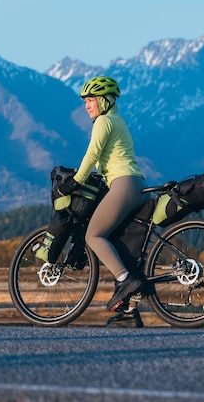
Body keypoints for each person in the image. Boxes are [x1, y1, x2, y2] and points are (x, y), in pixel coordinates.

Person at [36, 76, 147, 328]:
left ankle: (124, 279)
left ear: (105, 101)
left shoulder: (104, 121)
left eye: (91, 100)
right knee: (120, 244)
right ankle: (129, 311)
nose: (87, 106)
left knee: (93, 237)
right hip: (134, 184)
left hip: (123, 184)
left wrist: (75, 181)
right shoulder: (116, 120)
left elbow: (92, 154)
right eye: (85, 101)